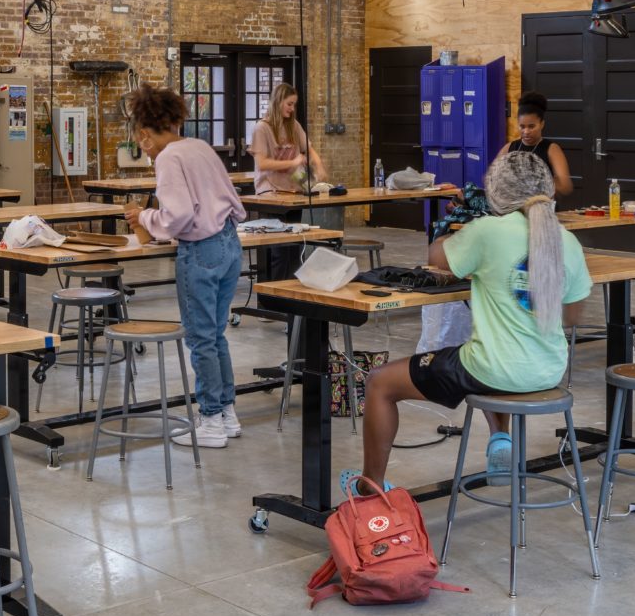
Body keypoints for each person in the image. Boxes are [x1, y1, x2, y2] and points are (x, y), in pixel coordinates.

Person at [358, 145, 590, 489]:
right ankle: (500, 437)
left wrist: (460, 226)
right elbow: (570, 316)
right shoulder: (567, 241)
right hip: (547, 370)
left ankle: (370, 485)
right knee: (490, 349)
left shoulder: (488, 232)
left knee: (380, 382)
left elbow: (437, 258)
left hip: (492, 370)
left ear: (498, 190)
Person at [125, 82, 247, 450]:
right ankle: (226, 412)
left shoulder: (168, 158)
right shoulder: (200, 146)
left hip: (202, 251)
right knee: (216, 335)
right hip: (229, 243)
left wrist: (145, 217)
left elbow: (177, 215)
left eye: (139, 140)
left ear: (145, 134)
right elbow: (232, 201)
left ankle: (209, 419)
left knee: (200, 338)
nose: (141, 148)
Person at [251, 81, 321, 194]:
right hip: (270, 192)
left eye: (294, 104)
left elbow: (309, 149)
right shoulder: (261, 128)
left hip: (292, 190)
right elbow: (262, 164)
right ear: (278, 102)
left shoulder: (294, 125)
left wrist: (318, 164)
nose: (292, 109)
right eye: (289, 104)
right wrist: (293, 163)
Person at [503, 91, 574, 198]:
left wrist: (536, 182)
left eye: (531, 126)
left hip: (542, 209)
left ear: (542, 124)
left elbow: (566, 187)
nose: (526, 131)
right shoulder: (510, 147)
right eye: (522, 126)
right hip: (515, 209)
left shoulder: (551, 149)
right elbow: (491, 177)